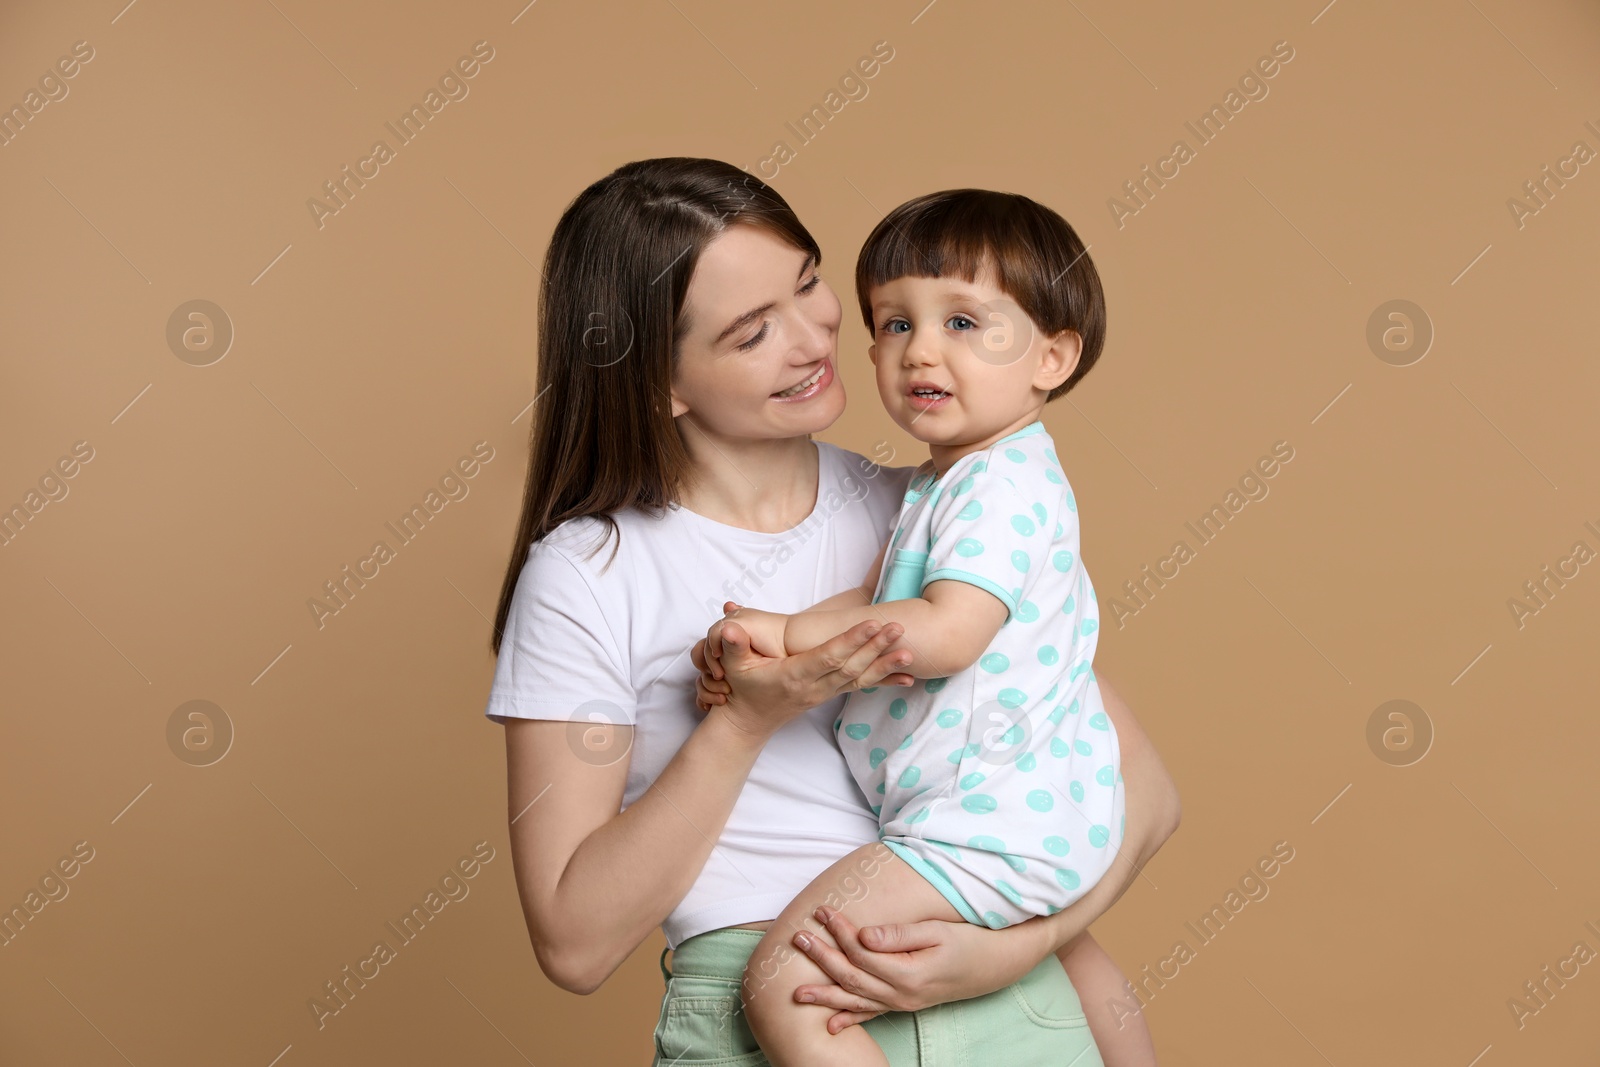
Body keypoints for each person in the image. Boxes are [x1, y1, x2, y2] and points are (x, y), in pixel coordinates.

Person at [484, 156, 1182, 1066]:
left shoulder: (934, 509)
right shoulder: (588, 573)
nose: (815, 340)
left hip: (1009, 996)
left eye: (809, 283)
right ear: (663, 383)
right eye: (750, 332)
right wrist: (741, 725)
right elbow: (573, 944)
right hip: (771, 1007)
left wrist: (1021, 946)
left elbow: (1147, 795)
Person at [692, 189, 1154, 1066]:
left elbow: (944, 632)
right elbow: (874, 595)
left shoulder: (1001, 486)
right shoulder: (948, 482)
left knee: (783, 988)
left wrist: (791, 639)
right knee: (1068, 979)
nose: (921, 351)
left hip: (983, 826)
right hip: (976, 819)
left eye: (966, 323)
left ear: (1052, 356)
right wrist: (766, 631)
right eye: (894, 325)